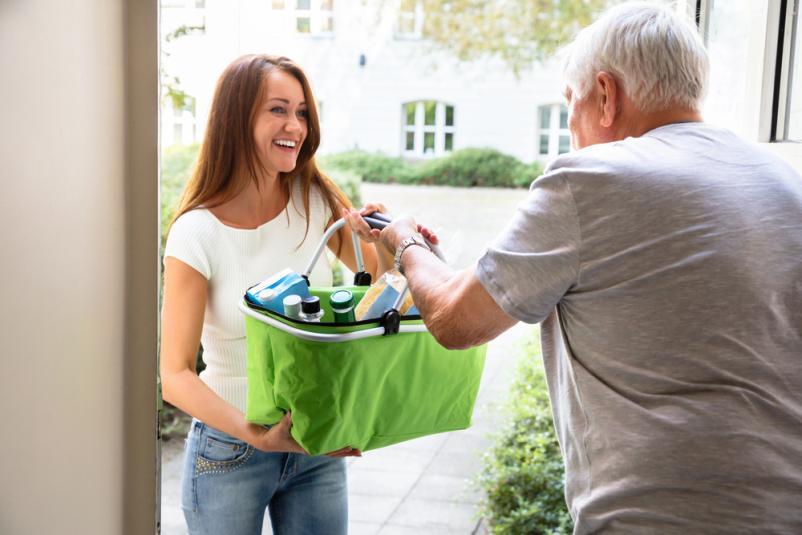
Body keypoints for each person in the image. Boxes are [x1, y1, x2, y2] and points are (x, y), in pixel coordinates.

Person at [345, 3, 802, 533]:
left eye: (570, 101)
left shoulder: (591, 180)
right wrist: (435, 265)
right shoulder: (784, 183)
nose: (569, 125)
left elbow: (455, 321)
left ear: (605, 94)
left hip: (657, 518)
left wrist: (402, 241)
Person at [160, 54, 394, 535]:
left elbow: (381, 291)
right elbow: (175, 375)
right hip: (230, 449)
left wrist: (383, 243)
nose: (296, 125)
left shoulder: (314, 199)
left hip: (315, 443)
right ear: (237, 118)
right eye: (279, 109)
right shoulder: (196, 233)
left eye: (303, 112)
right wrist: (259, 436)